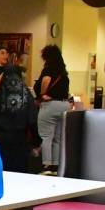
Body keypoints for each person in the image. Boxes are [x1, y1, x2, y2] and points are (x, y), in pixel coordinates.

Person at [0, 65, 37, 173]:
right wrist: (36, 142)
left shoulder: (0, 94)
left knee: (2, 174)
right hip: (20, 141)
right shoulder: (26, 94)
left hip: (1, 141)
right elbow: (32, 120)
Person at [36, 44, 70, 174]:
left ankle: (47, 165)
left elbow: (46, 80)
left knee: (46, 136)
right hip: (64, 105)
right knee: (58, 137)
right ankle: (56, 165)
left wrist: (42, 94)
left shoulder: (48, 69)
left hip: (50, 105)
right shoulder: (63, 72)